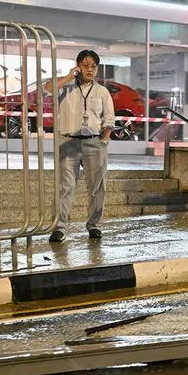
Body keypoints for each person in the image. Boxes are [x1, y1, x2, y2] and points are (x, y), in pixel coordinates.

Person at [45, 50, 115, 242]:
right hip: (68, 142)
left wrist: (105, 139)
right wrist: (69, 76)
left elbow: (109, 117)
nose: (89, 69)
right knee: (65, 186)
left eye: (93, 66)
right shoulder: (65, 88)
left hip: (95, 142)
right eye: (85, 65)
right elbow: (48, 89)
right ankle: (59, 228)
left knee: (97, 187)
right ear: (78, 66)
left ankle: (95, 226)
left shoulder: (102, 91)